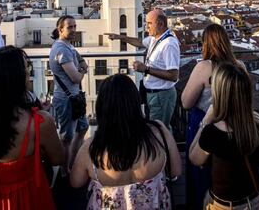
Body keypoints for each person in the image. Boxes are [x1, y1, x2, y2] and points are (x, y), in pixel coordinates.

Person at [0, 46, 64, 209]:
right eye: (26, 70)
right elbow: (58, 158)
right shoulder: (39, 122)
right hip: (26, 199)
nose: (29, 76)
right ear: (16, 80)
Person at [70, 74, 181, 209]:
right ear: (135, 102)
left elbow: (76, 182)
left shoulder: (91, 147)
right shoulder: (159, 132)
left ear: (102, 108)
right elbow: (175, 171)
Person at [189, 62, 259, 210]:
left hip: (224, 205)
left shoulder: (213, 133)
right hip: (256, 199)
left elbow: (194, 158)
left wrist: (205, 121)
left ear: (219, 93)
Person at [181, 23, 245, 209]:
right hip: (234, 127)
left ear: (206, 43)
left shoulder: (205, 67)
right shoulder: (239, 66)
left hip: (205, 124)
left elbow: (186, 103)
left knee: (201, 172)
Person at [105, 9, 180, 130]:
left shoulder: (169, 44)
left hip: (161, 95)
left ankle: (165, 149)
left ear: (160, 24)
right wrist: (120, 37)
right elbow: (140, 42)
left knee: (158, 131)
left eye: (149, 23)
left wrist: (146, 69)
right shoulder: (156, 38)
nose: (146, 27)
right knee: (159, 129)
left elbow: (173, 75)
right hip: (154, 94)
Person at [49, 15, 89, 177]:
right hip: (66, 99)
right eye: (70, 27)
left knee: (83, 128)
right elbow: (76, 77)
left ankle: (74, 162)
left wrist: (82, 63)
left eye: (74, 26)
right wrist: (83, 69)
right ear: (60, 30)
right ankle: (65, 171)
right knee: (67, 137)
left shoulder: (68, 47)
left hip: (74, 97)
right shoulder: (61, 50)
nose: (73, 30)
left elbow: (80, 59)